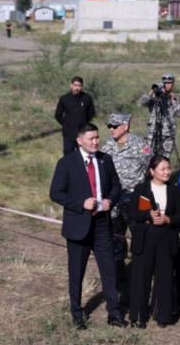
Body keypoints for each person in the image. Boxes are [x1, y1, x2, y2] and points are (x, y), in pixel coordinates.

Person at [50, 123, 124, 329]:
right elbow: (55, 193)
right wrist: (80, 204)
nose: (95, 142)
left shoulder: (105, 160)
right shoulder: (67, 163)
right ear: (79, 140)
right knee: (76, 272)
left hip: (102, 224)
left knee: (109, 269)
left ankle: (114, 313)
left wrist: (110, 200)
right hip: (78, 226)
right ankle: (77, 313)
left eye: (97, 137)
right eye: (91, 138)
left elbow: (116, 186)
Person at [126, 154, 180, 328]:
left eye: (169, 168)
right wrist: (148, 215)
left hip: (166, 239)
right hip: (145, 239)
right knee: (141, 277)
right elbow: (132, 212)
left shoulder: (174, 190)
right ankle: (139, 316)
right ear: (152, 171)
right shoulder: (141, 189)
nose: (167, 172)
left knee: (164, 277)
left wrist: (168, 219)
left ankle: (162, 315)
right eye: (163, 169)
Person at [101, 111, 151, 320]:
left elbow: (150, 169)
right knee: (116, 240)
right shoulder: (107, 146)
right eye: (109, 126)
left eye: (115, 126)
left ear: (126, 126)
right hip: (114, 199)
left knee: (140, 238)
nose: (111, 129)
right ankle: (120, 283)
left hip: (135, 197)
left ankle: (141, 280)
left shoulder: (141, 145)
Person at [137, 73, 180, 157]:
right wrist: (151, 92)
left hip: (168, 134)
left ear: (173, 84)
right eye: (165, 83)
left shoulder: (174, 97)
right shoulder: (155, 97)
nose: (167, 85)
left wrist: (173, 101)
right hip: (152, 133)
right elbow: (142, 103)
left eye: (169, 83)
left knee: (165, 157)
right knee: (146, 154)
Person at [53, 76, 96, 156]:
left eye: (79, 86)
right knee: (68, 156)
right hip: (69, 134)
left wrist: (84, 123)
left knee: (84, 155)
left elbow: (91, 113)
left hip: (82, 133)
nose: (77, 88)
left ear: (82, 87)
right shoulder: (64, 98)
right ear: (71, 85)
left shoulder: (87, 98)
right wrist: (65, 124)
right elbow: (58, 115)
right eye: (75, 85)